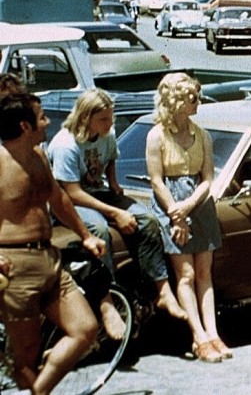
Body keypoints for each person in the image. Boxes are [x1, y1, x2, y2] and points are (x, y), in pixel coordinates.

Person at [48, 88, 186, 340]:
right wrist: (115, 212)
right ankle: (108, 300)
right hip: (69, 201)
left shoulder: (107, 134)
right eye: (104, 119)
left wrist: (112, 181)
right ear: (85, 117)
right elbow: (72, 193)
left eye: (111, 118)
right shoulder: (65, 144)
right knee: (99, 231)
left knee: (147, 220)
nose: (110, 123)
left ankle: (161, 290)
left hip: (98, 193)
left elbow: (111, 158)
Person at [0, 91, 106, 394]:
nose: (47, 122)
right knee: (25, 358)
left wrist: (86, 235)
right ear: (24, 125)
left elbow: (58, 199)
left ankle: (40, 391)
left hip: (50, 259)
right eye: (42, 116)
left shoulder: (40, 156)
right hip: (14, 266)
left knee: (85, 329)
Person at [145, 72, 228, 363]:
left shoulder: (201, 134)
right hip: (172, 203)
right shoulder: (157, 136)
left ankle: (213, 333)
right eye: (192, 98)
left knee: (205, 273)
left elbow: (207, 178)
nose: (197, 103)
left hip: (199, 203)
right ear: (175, 101)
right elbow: (156, 180)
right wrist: (175, 213)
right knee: (187, 274)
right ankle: (198, 336)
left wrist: (190, 205)